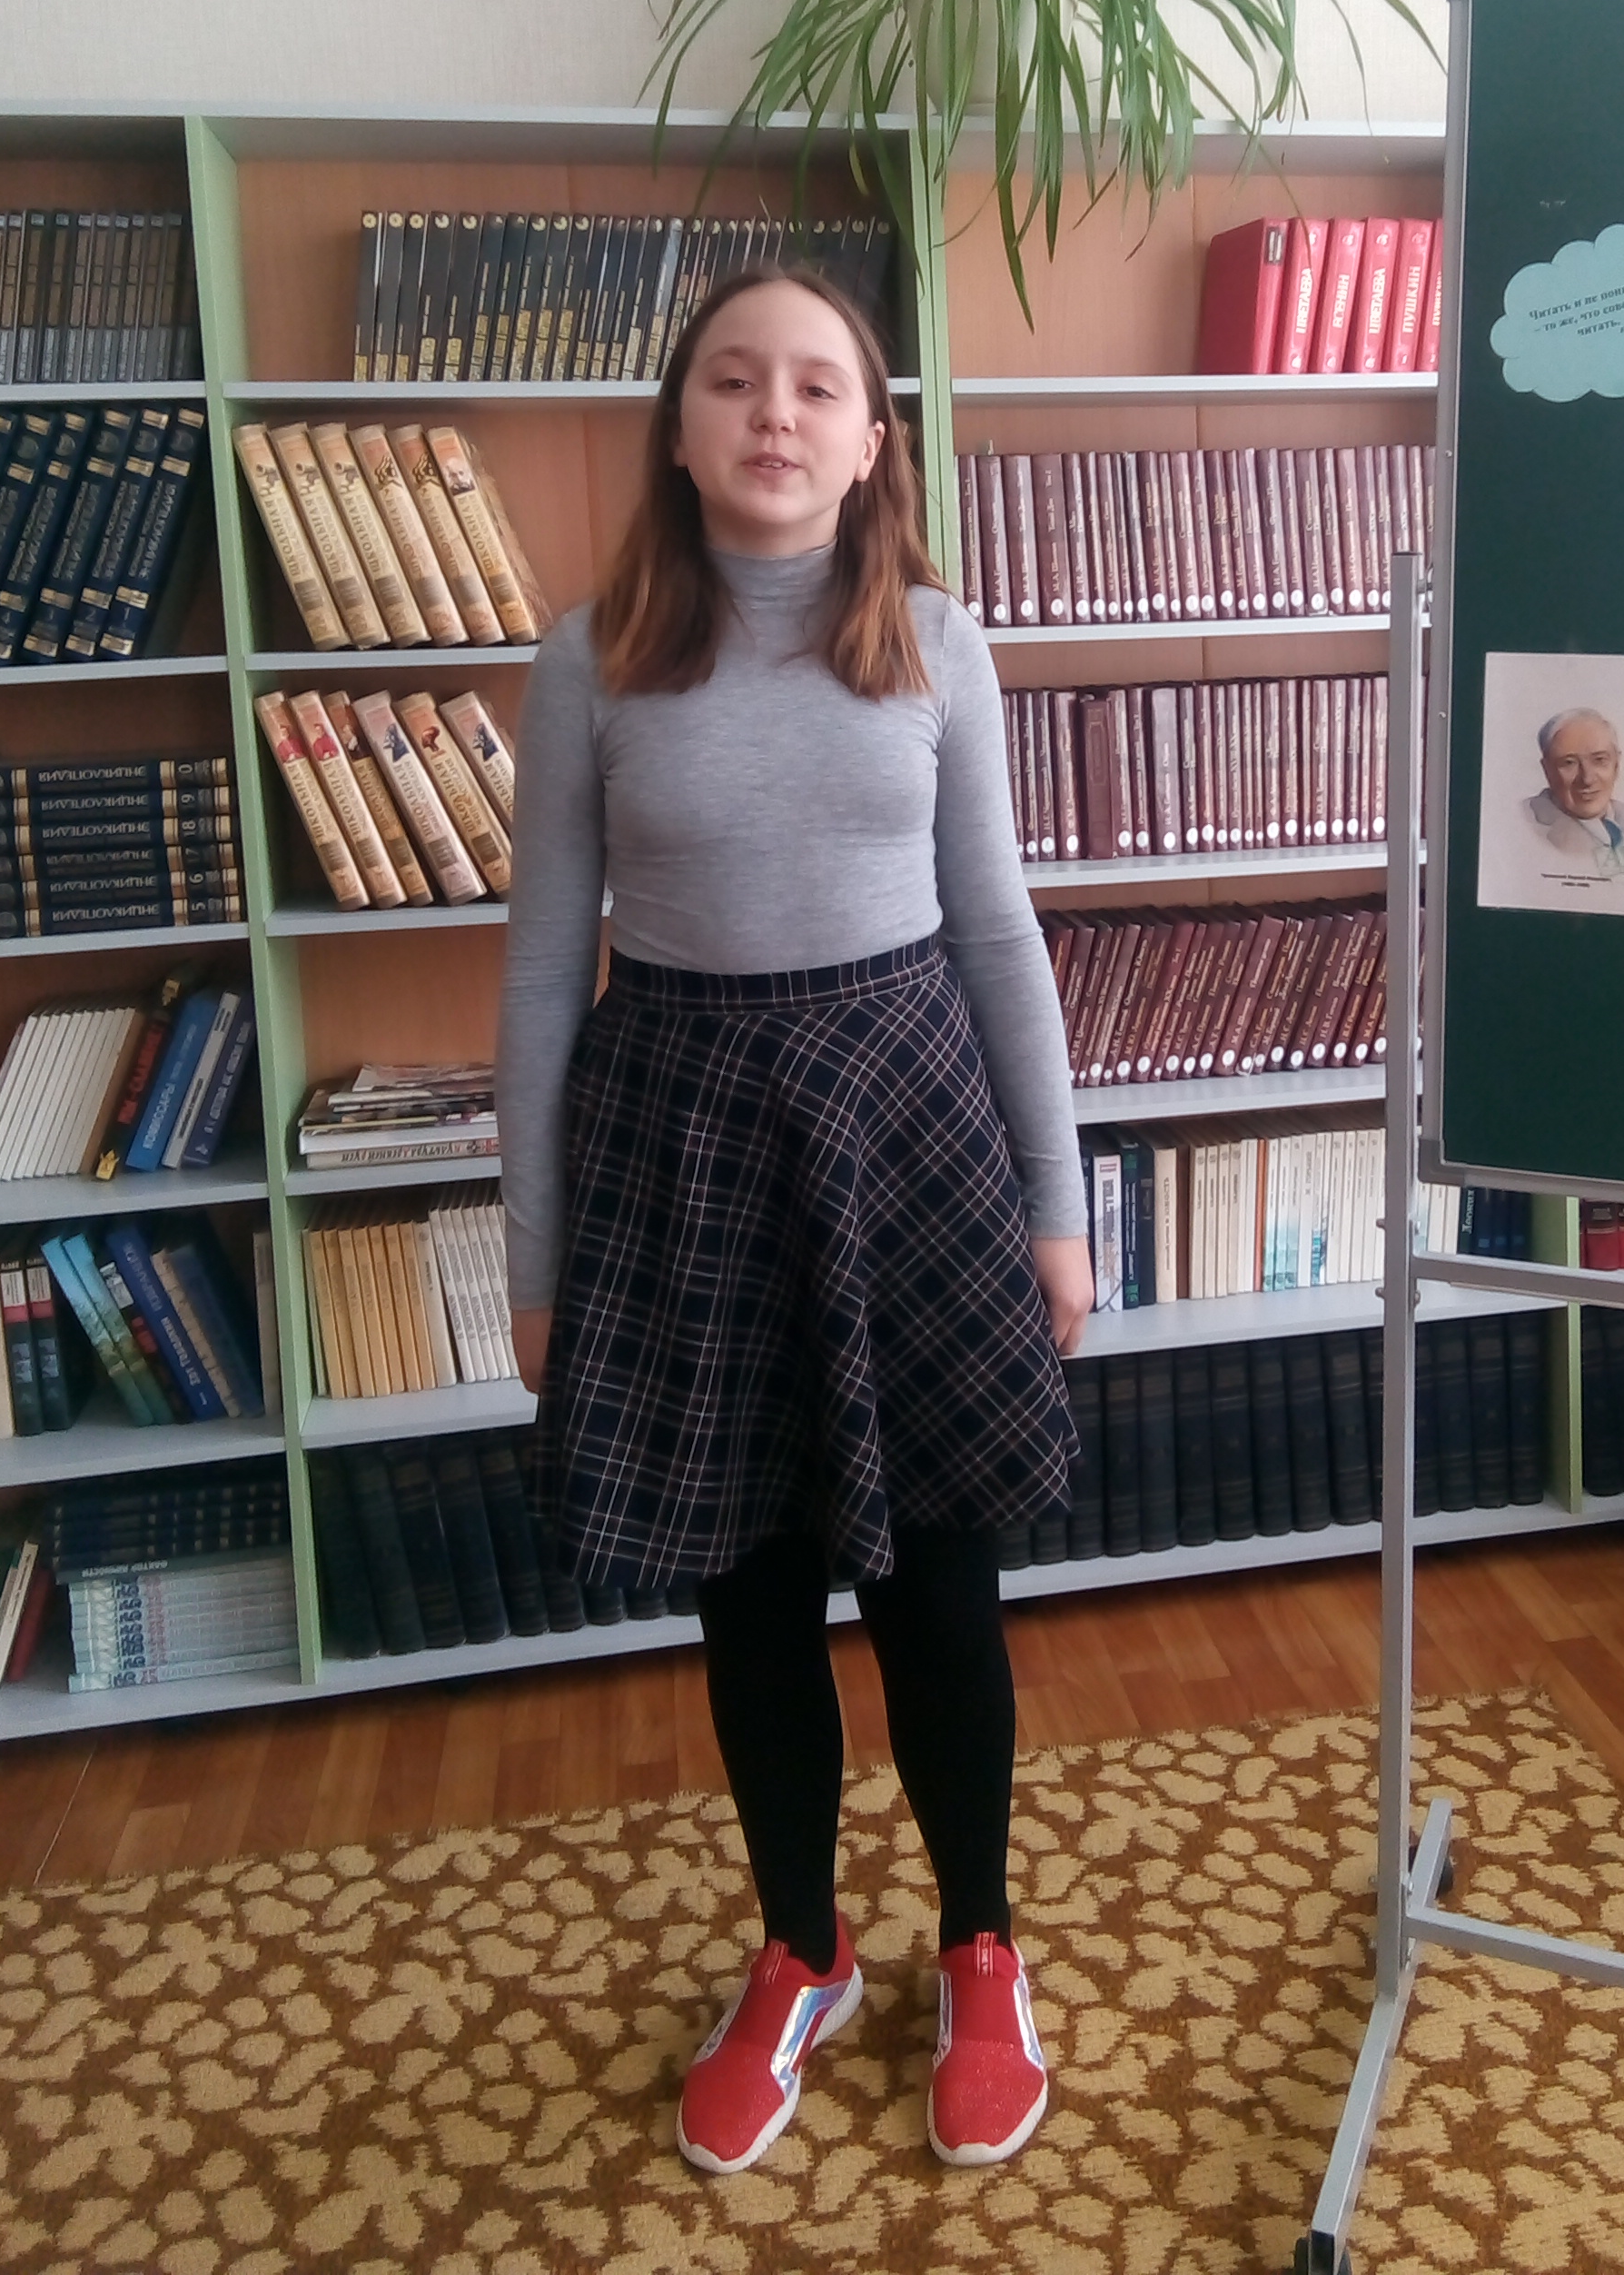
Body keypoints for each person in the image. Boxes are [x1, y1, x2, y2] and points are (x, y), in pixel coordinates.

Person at [498, 266, 1094, 2179]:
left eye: (816, 384)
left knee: (940, 1591)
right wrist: (533, 1264)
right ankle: (801, 1949)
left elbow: (999, 934)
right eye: (734, 380)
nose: (774, 410)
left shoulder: (937, 638)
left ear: (869, 438)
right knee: (746, 1593)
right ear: (679, 430)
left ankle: (980, 1943)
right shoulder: (590, 658)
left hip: (910, 1138)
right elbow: (542, 971)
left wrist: (1057, 1205)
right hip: (680, 1150)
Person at [1523, 707, 1624, 864]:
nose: (1587, 779)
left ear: (1616, 765)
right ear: (1547, 770)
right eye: (1569, 763)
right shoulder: (1521, 824)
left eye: (1599, 760)